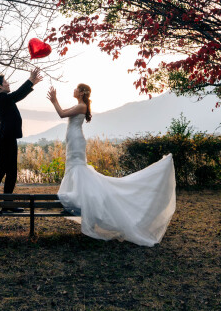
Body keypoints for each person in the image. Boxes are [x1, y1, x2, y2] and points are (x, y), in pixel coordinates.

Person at [46, 84, 176, 246]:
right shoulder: (80, 105)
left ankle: (81, 199)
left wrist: (54, 100)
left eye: (76, 89)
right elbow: (65, 114)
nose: (73, 90)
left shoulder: (81, 106)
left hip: (76, 140)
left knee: (78, 168)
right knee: (76, 168)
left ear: (81, 92)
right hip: (73, 140)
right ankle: (79, 197)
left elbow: (61, 114)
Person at [0, 67, 44, 208]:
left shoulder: (6, 98)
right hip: (5, 138)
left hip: (9, 138)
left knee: (12, 171)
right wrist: (30, 80)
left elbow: (18, 96)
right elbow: (17, 95)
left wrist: (32, 84)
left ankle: (7, 203)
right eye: (5, 82)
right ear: (0, 86)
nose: (8, 83)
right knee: (1, 170)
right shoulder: (1, 98)